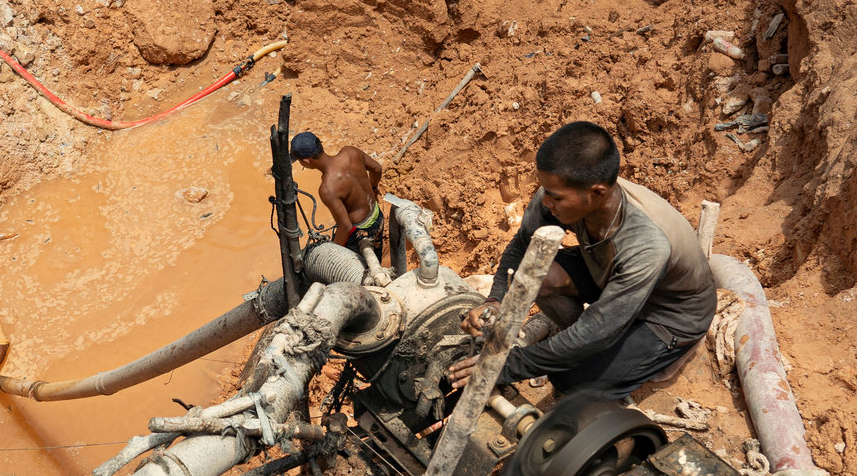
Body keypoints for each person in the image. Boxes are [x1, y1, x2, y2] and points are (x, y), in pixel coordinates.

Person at [449, 121, 716, 401]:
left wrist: (504, 367)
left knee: (572, 381)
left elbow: (597, 332)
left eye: (555, 197)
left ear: (597, 193)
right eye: (545, 191)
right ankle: (578, 343)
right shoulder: (565, 192)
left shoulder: (646, 245)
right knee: (535, 274)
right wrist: (495, 301)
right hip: (613, 278)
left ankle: (657, 353)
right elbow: (522, 246)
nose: (546, 202)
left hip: (667, 313)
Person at [291, 131, 384, 252]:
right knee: (376, 256)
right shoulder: (351, 152)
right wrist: (373, 187)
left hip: (360, 232)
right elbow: (377, 169)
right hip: (377, 216)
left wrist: (333, 251)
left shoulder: (328, 189)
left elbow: (346, 226)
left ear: (306, 161)